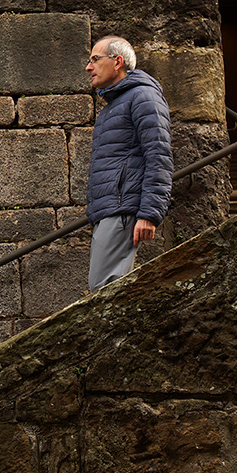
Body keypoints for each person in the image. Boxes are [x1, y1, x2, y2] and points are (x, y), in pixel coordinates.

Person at [84, 35, 174, 291]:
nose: (88, 67)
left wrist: (149, 214)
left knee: (105, 289)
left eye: (95, 59)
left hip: (123, 208)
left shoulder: (143, 97)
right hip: (112, 207)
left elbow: (159, 155)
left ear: (117, 62)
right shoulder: (114, 105)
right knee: (105, 289)